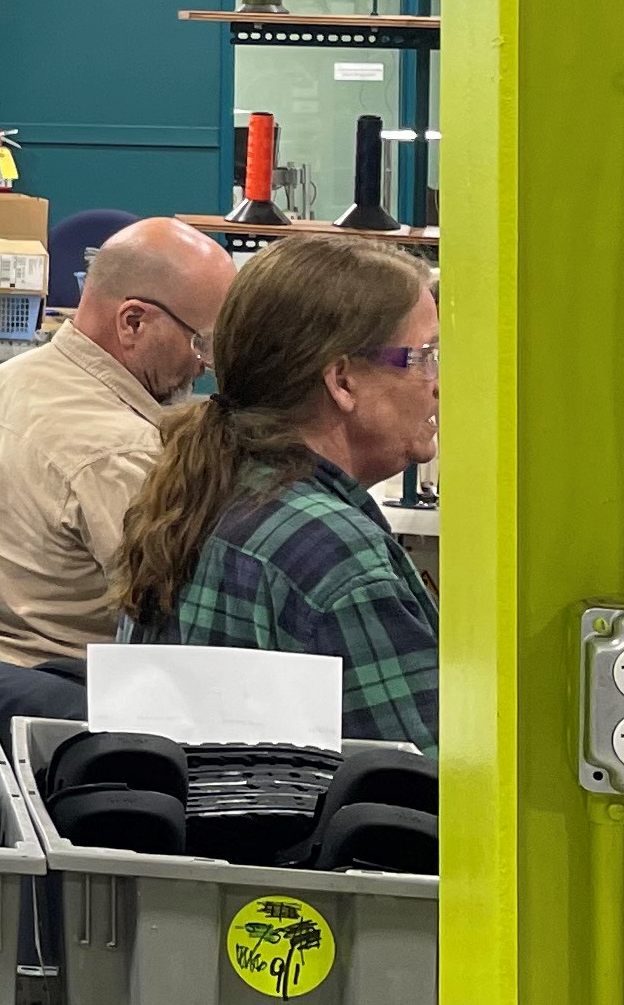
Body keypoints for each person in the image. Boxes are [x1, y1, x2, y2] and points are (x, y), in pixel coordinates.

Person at [111, 233, 440, 749]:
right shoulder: (337, 557)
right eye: (423, 356)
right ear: (342, 381)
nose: (438, 382)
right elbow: (433, 792)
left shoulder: (205, 490)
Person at [0, 216, 238, 666]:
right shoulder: (119, 453)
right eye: (201, 342)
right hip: (75, 697)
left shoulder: (10, 378)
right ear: (133, 322)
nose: (205, 365)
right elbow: (187, 625)